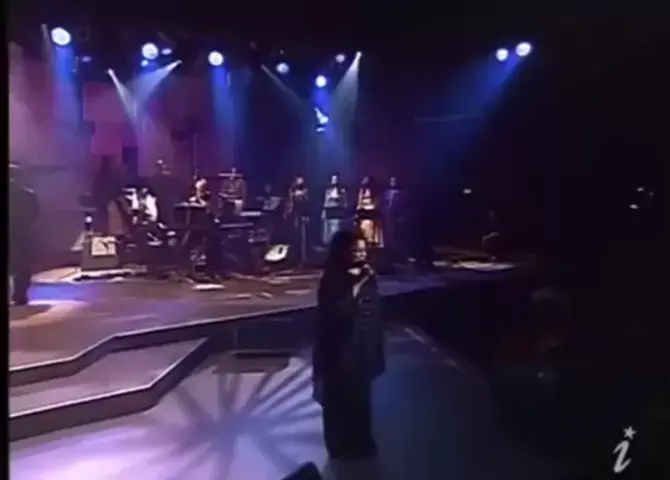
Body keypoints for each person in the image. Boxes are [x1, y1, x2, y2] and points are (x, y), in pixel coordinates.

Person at [313, 229, 385, 460]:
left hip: (362, 349)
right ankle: (341, 446)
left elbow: (375, 315)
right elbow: (337, 312)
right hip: (340, 352)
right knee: (339, 400)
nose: (361, 255)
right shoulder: (333, 278)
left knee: (361, 399)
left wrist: (376, 352)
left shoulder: (367, 275)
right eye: (355, 251)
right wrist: (356, 283)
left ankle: (361, 442)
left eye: (363, 250)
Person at [9, 164, 40, 305]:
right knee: (22, 265)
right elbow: (34, 215)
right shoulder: (28, 195)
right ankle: (20, 295)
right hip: (22, 233)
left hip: (18, 232)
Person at [321, 173, 347, 245]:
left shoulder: (342, 191)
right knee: (329, 231)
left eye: (336, 179)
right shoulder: (328, 191)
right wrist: (323, 213)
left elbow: (344, 203)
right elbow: (325, 203)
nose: (334, 181)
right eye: (333, 179)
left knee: (336, 229)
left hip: (337, 214)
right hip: (329, 213)